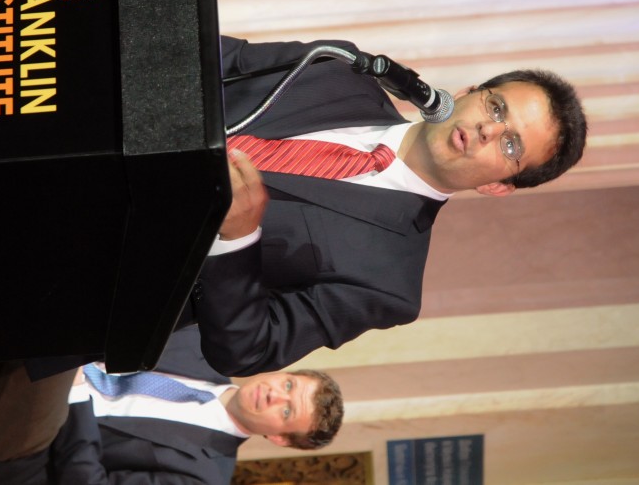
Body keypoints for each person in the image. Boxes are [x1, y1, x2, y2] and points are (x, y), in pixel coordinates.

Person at [190, 35, 588, 376]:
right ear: (466, 94)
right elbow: (198, 54)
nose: (489, 129)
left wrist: (238, 239)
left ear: (497, 186)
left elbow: (247, 349)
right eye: (496, 107)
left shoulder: (387, 282)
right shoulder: (335, 70)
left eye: (511, 144)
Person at [0, 325, 344, 485]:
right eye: (288, 385)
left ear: (279, 439)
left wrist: (78, 393)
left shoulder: (203, 477)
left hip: (34, 452)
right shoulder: (203, 347)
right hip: (43, 358)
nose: (275, 394)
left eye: (286, 411)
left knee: (60, 346)